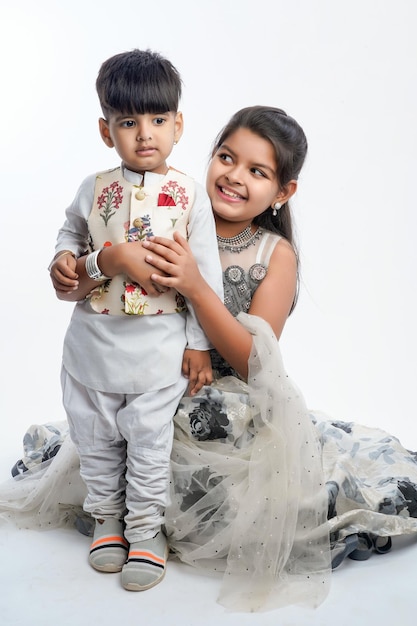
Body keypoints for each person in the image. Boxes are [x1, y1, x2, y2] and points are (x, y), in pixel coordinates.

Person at [2, 105, 417, 612]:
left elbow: (254, 363)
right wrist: (92, 262)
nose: (234, 176)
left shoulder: (272, 254)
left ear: (283, 192)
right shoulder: (167, 207)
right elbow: (91, 286)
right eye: (226, 157)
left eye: (257, 171)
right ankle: (120, 520)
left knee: (211, 478)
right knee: (113, 435)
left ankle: (147, 526)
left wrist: (198, 287)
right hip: (149, 380)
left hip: (224, 401)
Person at [45, 48, 223, 592]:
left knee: (148, 443)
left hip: (158, 348)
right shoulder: (93, 188)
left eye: (158, 119)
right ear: (107, 131)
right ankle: (107, 518)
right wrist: (63, 258)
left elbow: (205, 278)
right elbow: (71, 234)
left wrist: (198, 344)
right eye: (128, 122)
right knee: (95, 435)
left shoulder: (190, 197)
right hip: (92, 343)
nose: (145, 133)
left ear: (178, 125)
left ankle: (146, 529)